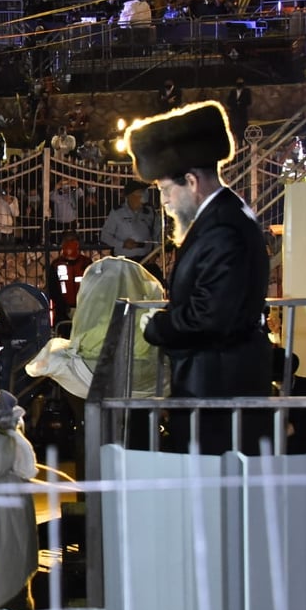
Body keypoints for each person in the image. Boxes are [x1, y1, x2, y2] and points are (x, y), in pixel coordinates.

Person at [126, 100, 271, 455]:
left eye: (165, 190)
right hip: (218, 382)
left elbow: (210, 316)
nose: (164, 201)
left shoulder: (221, 228)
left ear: (190, 181)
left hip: (218, 387)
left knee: (214, 490)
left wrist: (156, 326)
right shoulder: (225, 215)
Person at [100, 179, 159, 263]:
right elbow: (105, 236)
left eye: (143, 192)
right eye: (139, 192)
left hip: (146, 260)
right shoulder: (117, 213)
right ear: (130, 196)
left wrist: (154, 253)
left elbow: (156, 234)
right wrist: (123, 244)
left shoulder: (149, 212)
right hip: (124, 261)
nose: (143, 195)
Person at [48, 232, 92, 326]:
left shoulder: (86, 263)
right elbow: (53, 289)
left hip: (84, 309)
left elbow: (92, 286)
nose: (69, 243)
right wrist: (64, 308)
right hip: (62, 312)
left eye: (72, 240)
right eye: (67, 240)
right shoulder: (56, 265)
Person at [225, 77, 252, 145]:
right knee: (235, 131)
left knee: (243, 131)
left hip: (242, 114)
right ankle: (237, 145)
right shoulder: (233, 91)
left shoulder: (247, 91)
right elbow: (228, 101)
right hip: (234, 114)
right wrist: (235, 103)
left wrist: (241, 103)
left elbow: (249, 101)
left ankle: (245, 145)